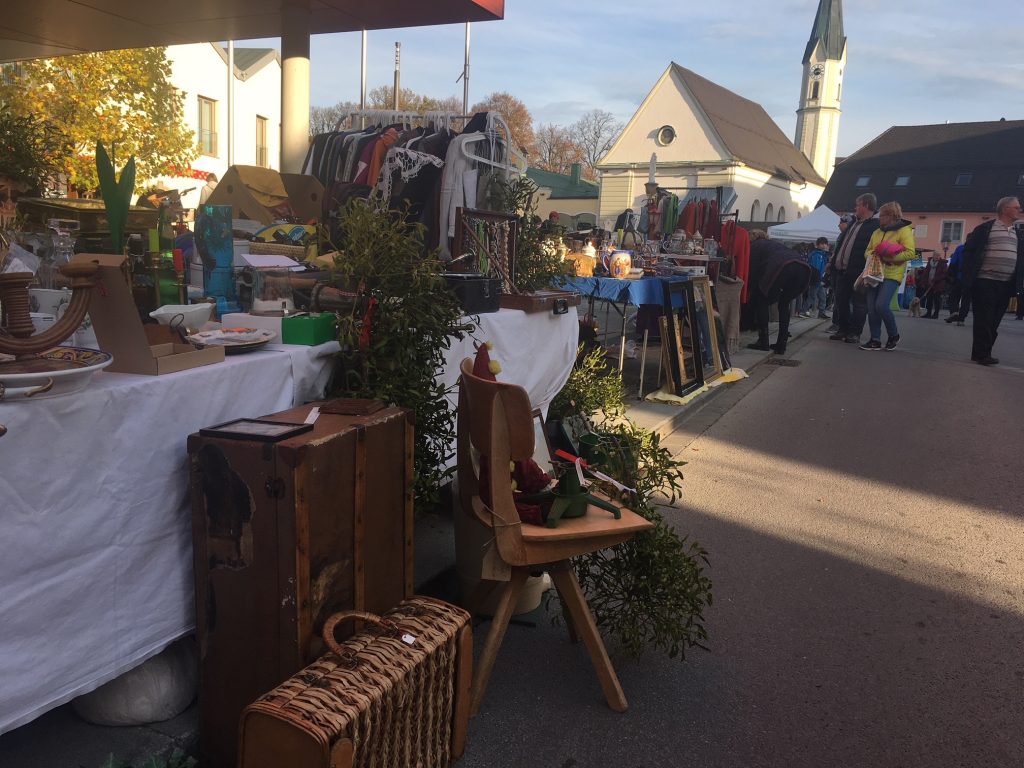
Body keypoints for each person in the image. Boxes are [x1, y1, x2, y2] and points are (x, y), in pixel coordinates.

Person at [960, 196, 1024, 365]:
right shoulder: (985, 229)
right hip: (985, 280)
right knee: (984, 318)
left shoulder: (1018, 233)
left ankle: (981, 352)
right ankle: (982, 354)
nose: (1020, 209)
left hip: (1007, 283)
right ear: (1005, 209)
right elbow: (969, 252)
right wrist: (969, 275)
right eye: (1016, 207)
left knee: (994, 319)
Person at [859, 201, 916, 350]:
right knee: (871, 308)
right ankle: (875, 339)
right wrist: (873, 255)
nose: (880, 218)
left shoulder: (904, 230)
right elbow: (867, 250)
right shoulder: (877, 232)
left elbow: (910, 253)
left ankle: (893, 334)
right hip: (874, 273)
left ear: (892, 216)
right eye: (880, 215)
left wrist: (888, 256)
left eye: (883, 215)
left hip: (892, 273)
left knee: (881, 305)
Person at [746, 230, 811, 355]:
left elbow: (753, 270)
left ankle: (763, 341)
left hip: (782, 267)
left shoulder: (755, 246)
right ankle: (781, 344)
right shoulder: (773, 244)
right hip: (802, 268)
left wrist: (750, 289)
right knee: (784, 304)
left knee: (761, 300)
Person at [829, 194, 880, 344]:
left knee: (859, 303)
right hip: (842, 270)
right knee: (840, 301)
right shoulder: (853, 223)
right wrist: (833, 263)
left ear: (865, 205)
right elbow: (843, 244)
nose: (855, 208)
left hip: (858, 271)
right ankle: (843, 328)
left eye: (857, 205)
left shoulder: (874, 226)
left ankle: (854, 332)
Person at [801, 237, 830, 318]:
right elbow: (816, 268)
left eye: (825, 244)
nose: (824, 245)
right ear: (817, 245)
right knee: (812, 296)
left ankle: (821, 313)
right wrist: (819, 278)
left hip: (820, 279)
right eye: (822, 244)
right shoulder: (816, 255)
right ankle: (803, 311)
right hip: (816, 279)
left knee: (822, 297)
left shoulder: (823, 254)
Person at [944, 244, 971, 324]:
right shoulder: (979, 248)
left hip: (959, 277)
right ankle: (961, 319)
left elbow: (953, 262)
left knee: (954, 296)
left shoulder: (960, 248)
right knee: (966, 299)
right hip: (970, 278)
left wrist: (950, 274)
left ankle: (954, 312)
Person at [917, 253, 948, 318]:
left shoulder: (943, 264)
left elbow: (945, 274)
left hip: (938, 284)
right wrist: (923, 281)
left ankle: (936, 314)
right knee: (929, 299)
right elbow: (926, 272)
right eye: (936, 255)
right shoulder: (929, 263)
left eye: (938, 256)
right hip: (929, 283)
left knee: (937, 299)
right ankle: (928, 313)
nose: (937, 257)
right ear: (933, 256)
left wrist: (936, 279)